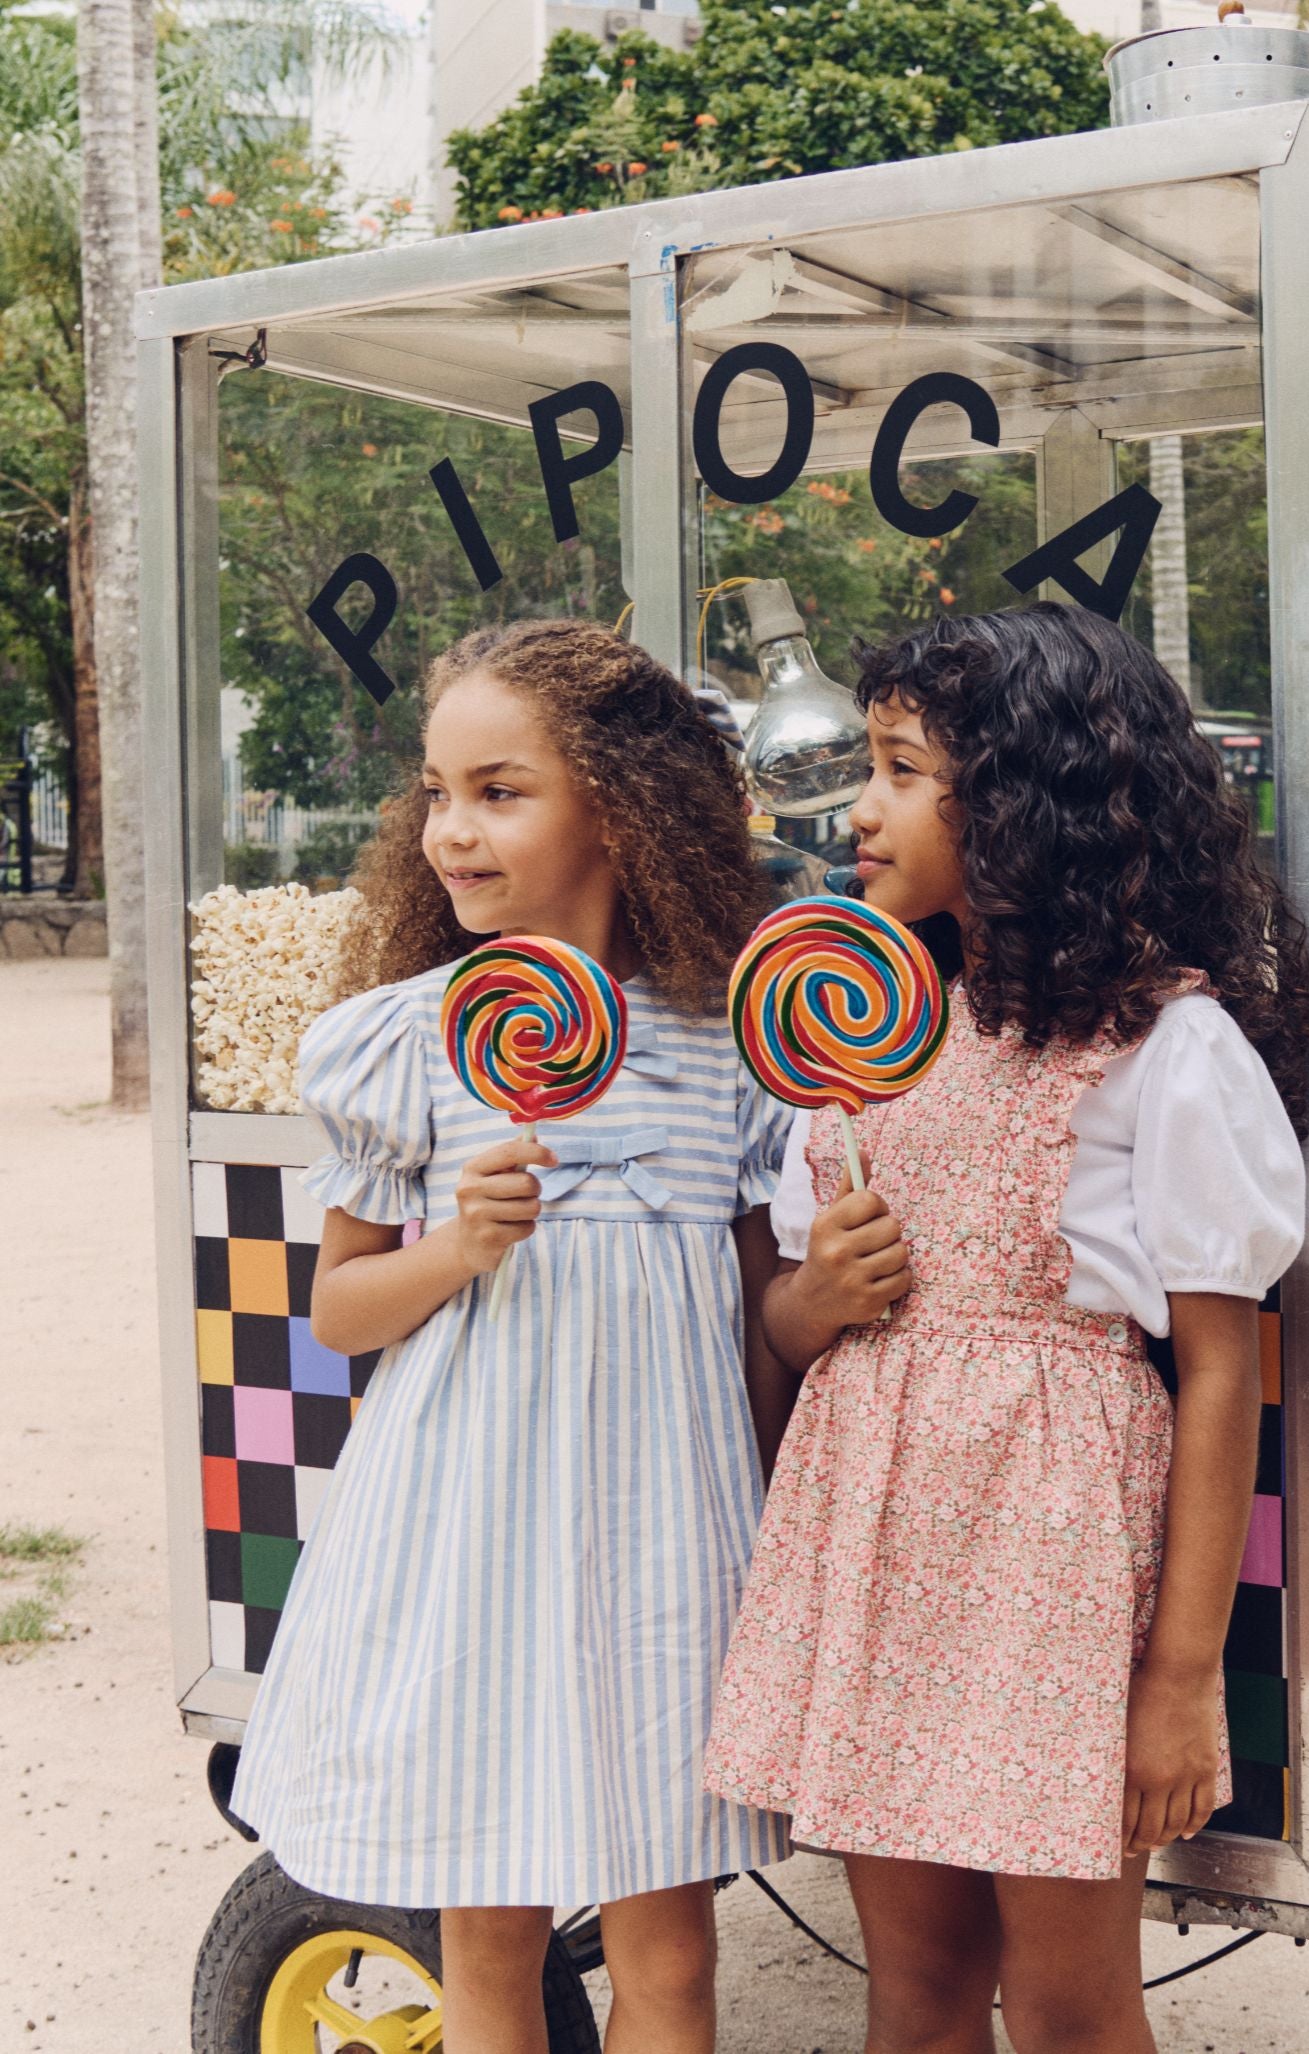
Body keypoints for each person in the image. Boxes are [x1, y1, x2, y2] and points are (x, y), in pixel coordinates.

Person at [704, 602, 1309, 2054]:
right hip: (874, 1551)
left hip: (1051, 1581)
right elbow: (789, 1324)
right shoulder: (856, 1032)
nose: (859, 807)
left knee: (1067, 2006)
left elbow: (1223, 1369)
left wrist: (1177, 1681)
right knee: (912, 1990)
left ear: (1028, 802)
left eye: (904, 770)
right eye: (870, 765)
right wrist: (815, 1296)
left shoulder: (1167, 1048)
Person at [231, 619, 794, 2054]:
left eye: (498, 790)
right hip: (470, 1526)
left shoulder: (727, 1039)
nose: (450, 831)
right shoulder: (409, 1038)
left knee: (669, 1941)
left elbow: (749, 1323)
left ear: (622, 803)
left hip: (666, 1534)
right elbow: (340, 1308)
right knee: (486, 1923)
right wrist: (458, 1246)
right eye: (435, 792)